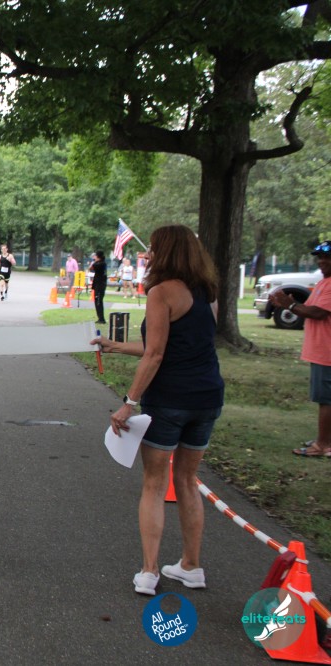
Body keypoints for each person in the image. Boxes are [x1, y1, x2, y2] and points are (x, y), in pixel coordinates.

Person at [92, 225, 224, 596]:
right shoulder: (207, 293)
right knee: (187, 480)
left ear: (167, 252)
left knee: (154, 482)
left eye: (152, 248)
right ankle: (191, 566)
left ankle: (149, 571)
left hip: (168, 400)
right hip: (207, 398)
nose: (147, 254)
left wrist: (128, 403)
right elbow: (175, 344)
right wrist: (116, 345)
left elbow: (156, 354)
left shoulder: (161, 292)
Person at [269, 240, 331, 457]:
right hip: (320, 350)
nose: (322, 262)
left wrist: (291, 305)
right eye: (320, 258)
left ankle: (323, 445)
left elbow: (318, 313)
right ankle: (325, 439)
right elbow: (311, 308)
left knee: (326, 400)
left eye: (327, 258)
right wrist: (289, 305)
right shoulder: (324, 282)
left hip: (327, 352)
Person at [91, 250, 108, 324]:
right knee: (97, 302)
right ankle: (100, 317)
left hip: (100, 285)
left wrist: (94, 261)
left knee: (98, 302)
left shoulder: (100, 264)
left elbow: (92, 267)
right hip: (98, 285)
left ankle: (101, 318)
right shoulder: (101, 263)